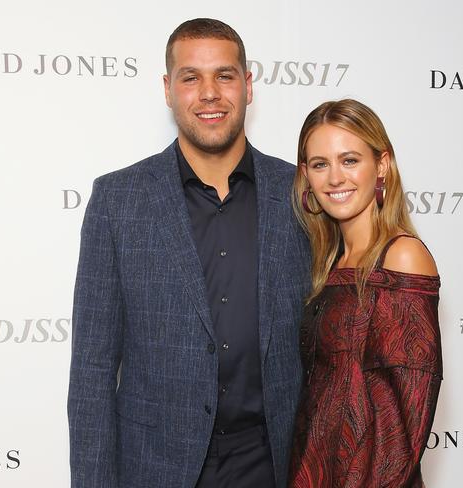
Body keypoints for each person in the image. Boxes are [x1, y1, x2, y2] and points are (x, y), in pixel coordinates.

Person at [67, 18, 309, 488]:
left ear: (248, 85)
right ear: (168, 88)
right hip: (155, 467)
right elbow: (93, 370)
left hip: (275, 464)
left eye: (224, 75)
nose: (210, 93)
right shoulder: (118, 200)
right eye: (191, 77)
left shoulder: (300, 193)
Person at [287, 99, 442, 488]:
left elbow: (405, 421)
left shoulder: (402, 257)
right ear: (307, 176)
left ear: (382, 165)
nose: (335, 178)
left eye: (350, 160)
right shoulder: (330, 262)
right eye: (320, 164)